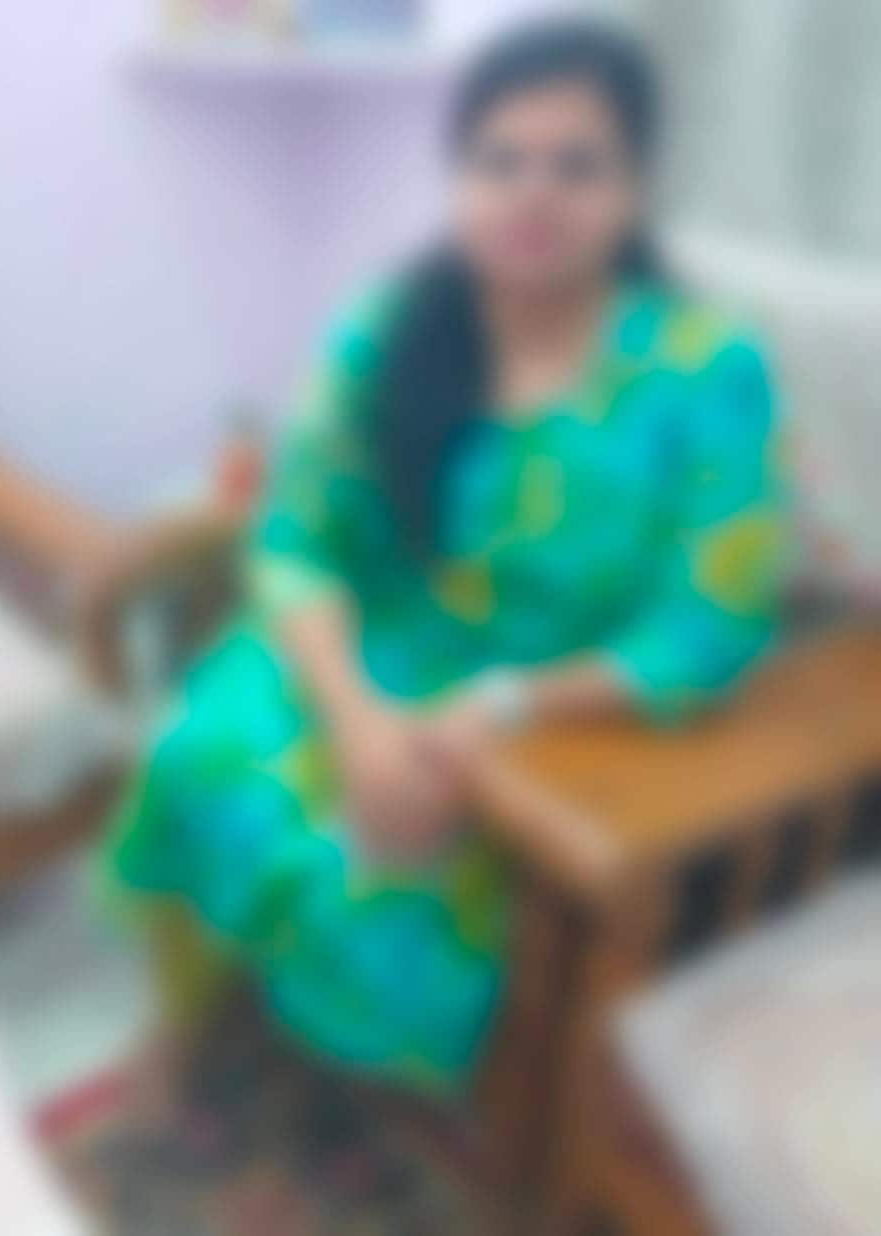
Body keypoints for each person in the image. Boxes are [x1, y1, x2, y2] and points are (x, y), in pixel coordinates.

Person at [103, 17, 788, 1102]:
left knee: (374, 892)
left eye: (577, 166)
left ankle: (364, 1097)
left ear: (633, 190)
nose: (532, 195)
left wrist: (502, 709)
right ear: (458, 178)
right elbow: (294, 540)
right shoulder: (391, 324)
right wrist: (357, 723)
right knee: (198, 758)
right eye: (498, 161)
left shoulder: (705, 367)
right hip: (361, 656)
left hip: (559, 713)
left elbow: (716, 622)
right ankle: (196, 1018)